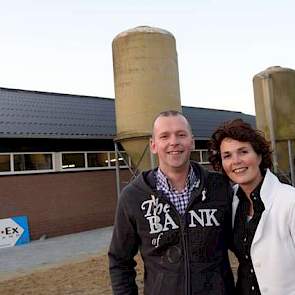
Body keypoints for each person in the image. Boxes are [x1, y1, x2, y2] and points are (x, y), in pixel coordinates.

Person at [108, 110, 235, 295]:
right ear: (153, 145)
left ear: (191, 141)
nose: (174, 142)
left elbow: (245, 246)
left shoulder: (220, 187)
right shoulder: (133, 197)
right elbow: (119, 261)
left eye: (181, 135)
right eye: (164, 136)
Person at [208, 119, 295, 295]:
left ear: (259, 155)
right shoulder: (231, 202)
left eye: (243, 151)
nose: (236, 161)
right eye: (227, 156)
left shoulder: (289, 201)